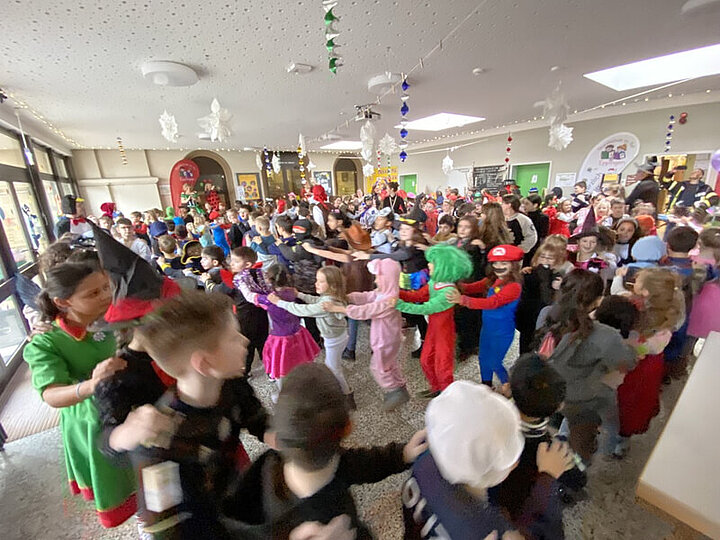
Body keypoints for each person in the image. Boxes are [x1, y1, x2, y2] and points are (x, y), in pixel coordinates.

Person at [109, 291, 273, 538]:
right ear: (205, 364)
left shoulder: (231, 385)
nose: (245, 340)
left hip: (233, 497)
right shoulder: (161, 445)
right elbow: (168, 529)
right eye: (233, 337)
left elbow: (260, 421)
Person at [223, 363, 427, 539]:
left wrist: (402, 454)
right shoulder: (333, 528)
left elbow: (354, 464)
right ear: (348, 428)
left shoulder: (268, 463)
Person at [23, 262, 137, 528]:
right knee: (125, 482)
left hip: (128, 403)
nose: (106, 296)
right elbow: (51, 395)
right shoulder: (46, 341)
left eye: (105, 288)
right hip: (93, 419)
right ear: (62, 302)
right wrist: (92, 384)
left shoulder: (109, 317)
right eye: (92, 294)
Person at [403, 381, 571, 539]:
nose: (515, 463)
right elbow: (536, 532)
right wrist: (546, 480)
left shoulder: (423, 463)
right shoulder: (491, 531)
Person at [541, 270, 636, 463]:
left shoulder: (547, 314)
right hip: (582, 399)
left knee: (559, 423)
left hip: (549, 389)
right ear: (598, 300)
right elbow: (626, 363)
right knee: (580, 444)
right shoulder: (606, 335)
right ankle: (571, 476)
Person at [491, 354, 585, 532]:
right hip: (525, 513)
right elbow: (579, 478)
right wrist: (563, 444)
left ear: (509, 387)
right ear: (558, 407)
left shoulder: (492, 415)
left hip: (495, 500)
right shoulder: (551, 449)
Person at [324, 258, 410, 412]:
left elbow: (367, 310)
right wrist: (350, 297)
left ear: (388, 279)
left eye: (379, 277)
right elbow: (367, 297)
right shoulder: (385, 292)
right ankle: (399, 386)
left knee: (378, 367)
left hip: (386, 339)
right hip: (387, 337)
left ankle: (395, 391)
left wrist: (341, 309)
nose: (376, 280)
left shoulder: (389, 300)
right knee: (390, 364)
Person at [269, 266, 355, 408]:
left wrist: (279, 303)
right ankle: (343, 393)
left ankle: (347, 396)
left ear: (332, 285)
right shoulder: (329, 297)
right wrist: (300, 295)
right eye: (316, 280)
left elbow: (303, 310)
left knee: (334, 369)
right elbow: (315, 300)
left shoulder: (327, 305)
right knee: (333, 366)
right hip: (337, 336)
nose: (316, 284)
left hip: (334, 340)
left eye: (320, 281)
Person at [396, 244, 474, 398]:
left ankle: (447, 395)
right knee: (425, 360)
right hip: (433, 328)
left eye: (433, 263)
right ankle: (436, 388)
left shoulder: (449, 291)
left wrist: (399, 304)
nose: (429, 265)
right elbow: (418, 296)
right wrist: (398, 293)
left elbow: (427, 308)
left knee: (443, 365)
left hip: (444, 332)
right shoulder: (434, 283)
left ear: (444, 267)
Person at [447, 245, 524, 387]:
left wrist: (463, 300)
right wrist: (455, 284)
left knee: (494, 361)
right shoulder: (492, 280)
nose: (498, 266)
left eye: (503, 263)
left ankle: (508, 386)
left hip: (502, 331)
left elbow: (492, 303)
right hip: (487, 328)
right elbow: (473, 287)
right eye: (495, 263)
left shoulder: (514, 286)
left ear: (513, 265)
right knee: (483, 358)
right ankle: (486, 385)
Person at [252, 264, 320, 402]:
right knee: (300, 363)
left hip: (280, 338)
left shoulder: (269, 299)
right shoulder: (293, 292)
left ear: (270, 280)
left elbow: (252, 297)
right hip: (298, 333)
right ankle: (304, 389)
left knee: (280, 369)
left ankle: (282, 396)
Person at [516, 237, 568, 354]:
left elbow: (548, 298)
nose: (545, 261)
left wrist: (558, 287)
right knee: (525, 341)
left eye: (549, 258)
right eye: (542, 257)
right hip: (527, 315)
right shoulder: (529, 273)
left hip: (545, 316)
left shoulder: (557, 276)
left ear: (556, 261)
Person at [501, 194, 538, 260]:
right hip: (502, 253)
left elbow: (532, 236)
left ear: (509, 205)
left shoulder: (523, 220)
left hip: (517, 256)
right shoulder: (500, 218)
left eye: (503, 203)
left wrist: (520, 249)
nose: (501, 206)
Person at [522, 194, 550, 263]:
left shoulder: (543, 217)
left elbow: (543, 234)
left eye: (527, 204)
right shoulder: (523, 216)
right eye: (524, 203)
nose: (524, 206)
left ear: (535, 205)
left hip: (535, 247)